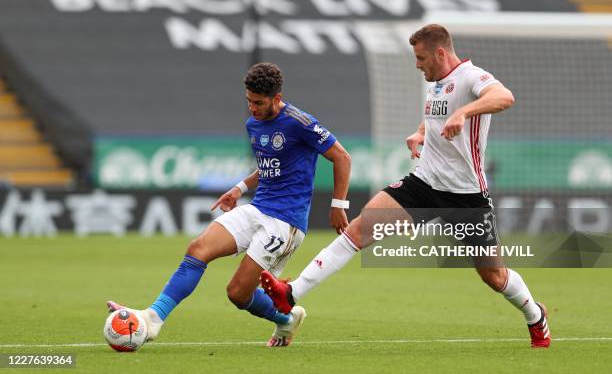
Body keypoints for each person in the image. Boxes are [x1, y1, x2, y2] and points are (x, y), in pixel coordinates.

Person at [261, 24, 551, 348]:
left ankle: (535, 316)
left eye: (421, 57)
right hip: (423, 184)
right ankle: (292, 293)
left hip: (466, 197)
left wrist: (464, 113)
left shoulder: (472, 77)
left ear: (440, 53)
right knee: (358, 231)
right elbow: (436, 117)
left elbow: (504, 97)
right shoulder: (437, 83)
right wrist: (422, 132)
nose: (417, 64)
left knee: (493, 276)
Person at [108, 62, 351, 347]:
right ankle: (153, 319)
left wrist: (338, 205)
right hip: (257, 208)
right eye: (248, 101)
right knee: (198, 249)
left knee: (237, 293)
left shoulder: (301, 123)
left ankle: (286, 319)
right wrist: (239, 188)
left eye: (259, 103)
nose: (253, 108)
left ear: (277, 98)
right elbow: (271, 166)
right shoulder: (253, 123)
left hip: (285, 222)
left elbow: (341, 157)